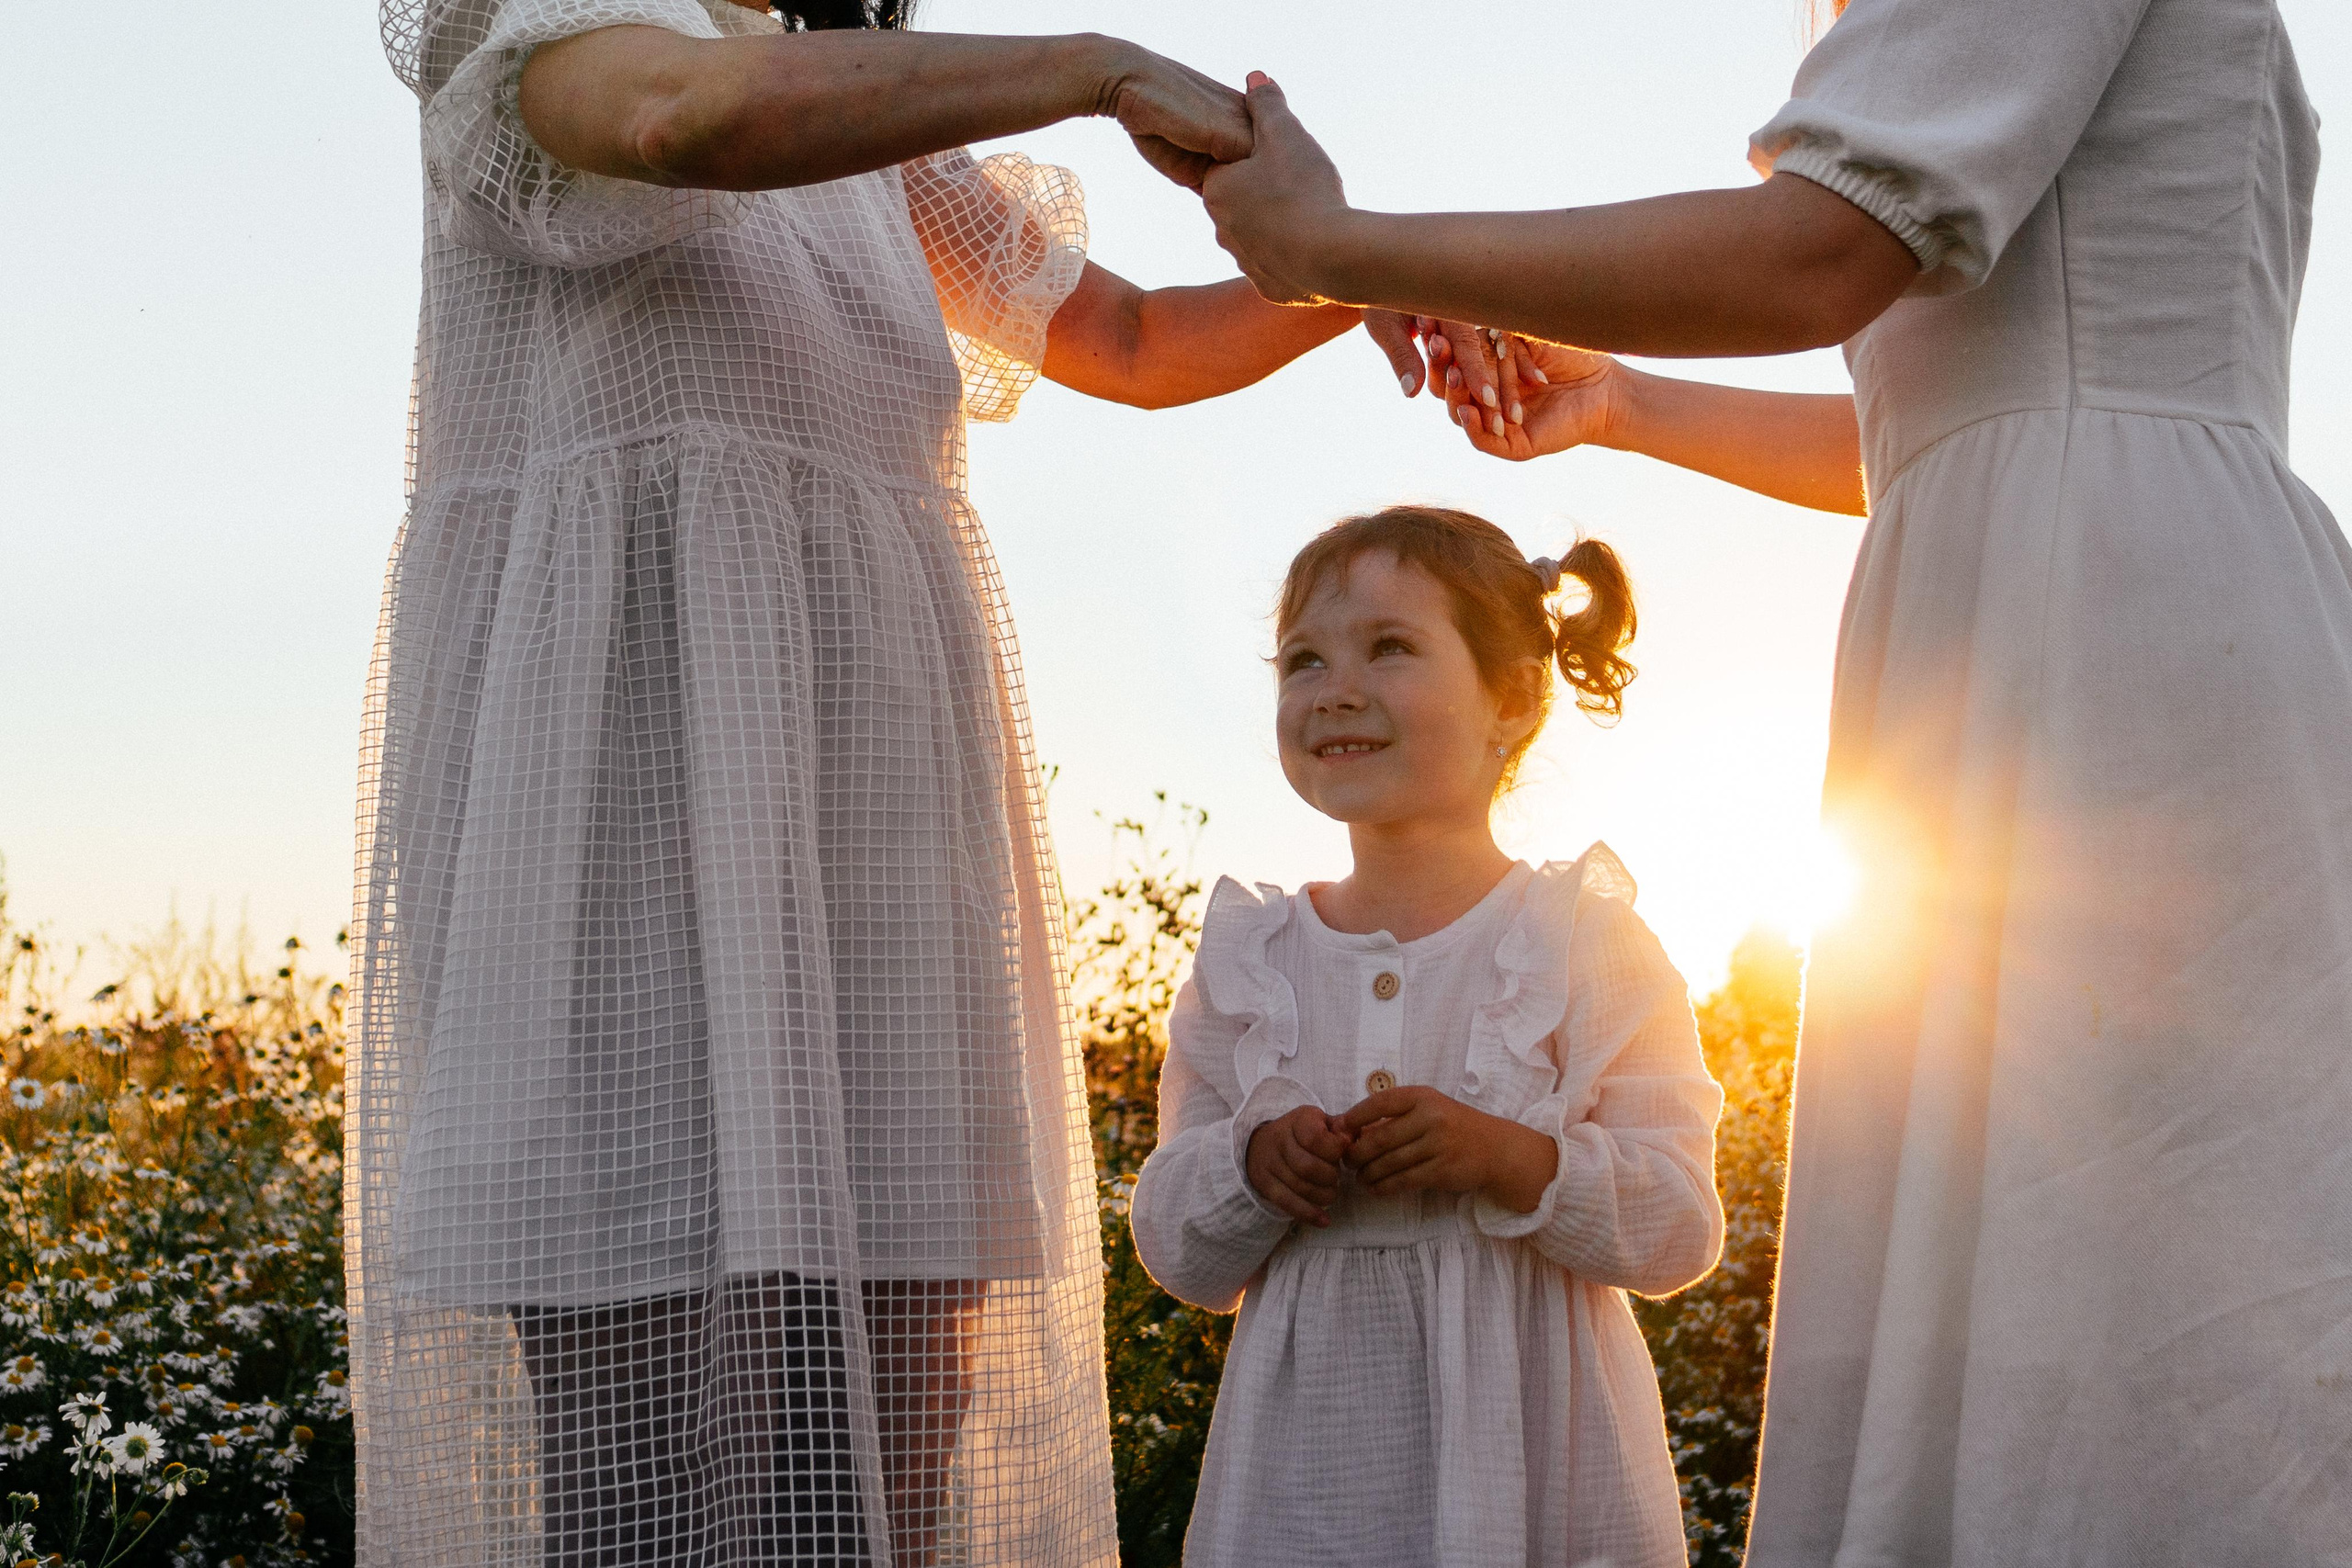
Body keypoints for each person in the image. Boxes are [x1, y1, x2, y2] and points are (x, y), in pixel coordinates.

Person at [1198, 0, 2352, 1562]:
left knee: (2121, 1259)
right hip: (2087, 583)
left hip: (2104, 638)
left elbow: (1818, 253)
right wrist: (1624, 403)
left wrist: (1343, 246)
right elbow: (1945, 420)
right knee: (2066, 1261)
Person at [356, 3, 1422, 1563]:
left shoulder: (876, 145)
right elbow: (680, 118)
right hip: (623, 860)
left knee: (889, 1472)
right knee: (642, 1472)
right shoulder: (535, 24)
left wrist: (1389, 272)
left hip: (883, 848)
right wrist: (1094, 67)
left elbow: (1133, 340)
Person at [1126, 506, 1724, 1568]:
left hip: (1535, 1475)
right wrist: (1252, 1168)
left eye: (1389, 647)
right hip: (1305, 1484)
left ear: (1514, 697)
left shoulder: (1579, 940)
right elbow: (1176, 1245)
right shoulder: (1251, 960)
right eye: (1303, 660)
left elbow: (1678, 1226)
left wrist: (1512, 1157)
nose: (1334, 689)